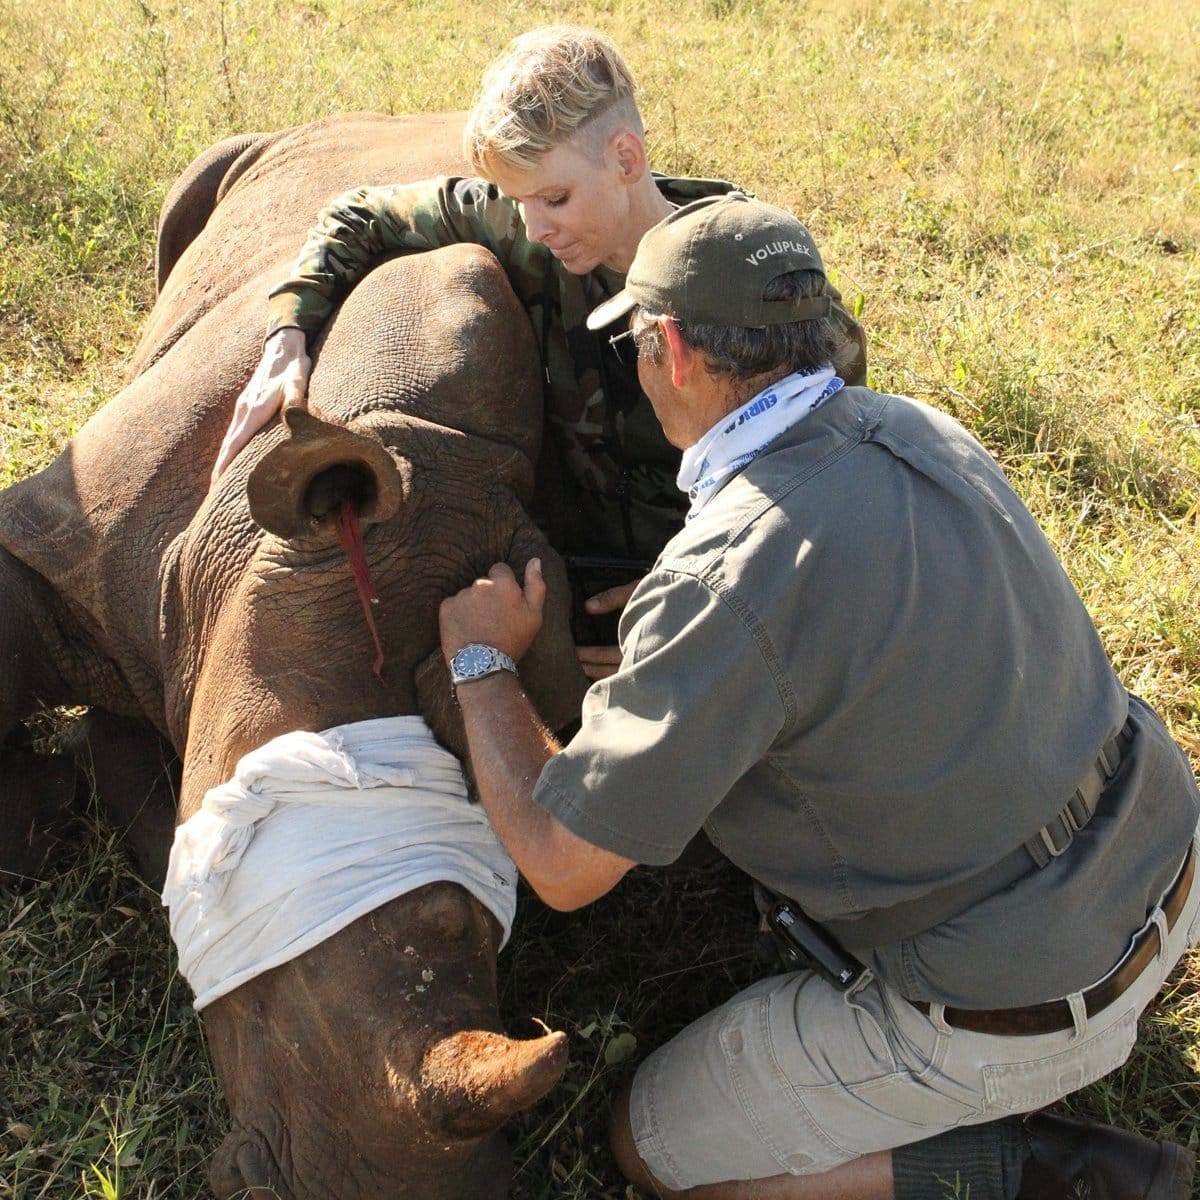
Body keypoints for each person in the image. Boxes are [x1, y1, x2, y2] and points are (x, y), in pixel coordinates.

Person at [436, 193, 1200, 1199]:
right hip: (1162, 870)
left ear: (672, 347)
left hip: (1014, 1003)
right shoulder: (917, 425)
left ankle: (1029, 1169)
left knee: (649, 1148)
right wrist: (703, 648)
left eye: (636, 347)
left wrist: (482, 662)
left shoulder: (724, 577)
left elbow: (562, 865)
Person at [208, 25, 866, 676]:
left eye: (554, 197)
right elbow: (357, 216)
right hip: (571, 591)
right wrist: (287, 337)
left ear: (627, 159)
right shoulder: (534, 230)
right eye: (521, 202)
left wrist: (708, 597)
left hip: (726, 598)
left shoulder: (763, 287)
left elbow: (833, 496)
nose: (534, 227)